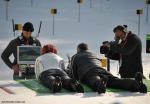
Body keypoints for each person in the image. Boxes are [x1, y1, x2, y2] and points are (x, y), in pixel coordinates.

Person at [70, 43, 147, 94]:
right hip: (102, 70)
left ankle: (100, 83)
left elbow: (73, 73)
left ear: (78, 50)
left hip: (89, 72)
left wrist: (76, 81)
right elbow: (100, 62)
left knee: (93, 79)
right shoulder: (93, 54)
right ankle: (135, 84)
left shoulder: (76, 56)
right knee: (116, 81)